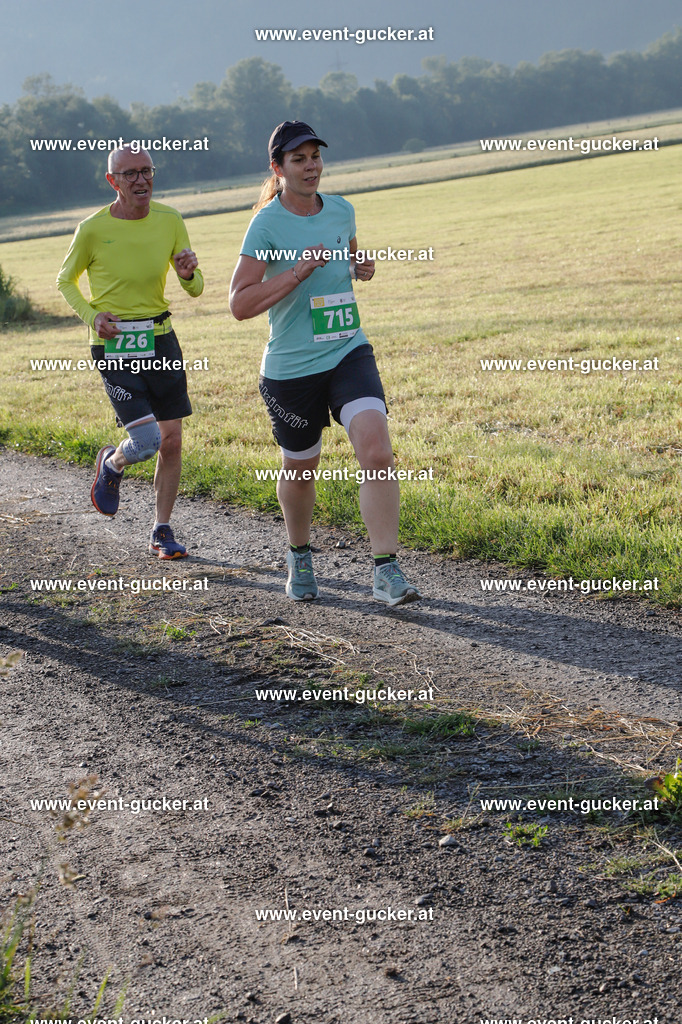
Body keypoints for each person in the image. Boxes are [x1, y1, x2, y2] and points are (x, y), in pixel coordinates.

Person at [229, 120, 421, 606]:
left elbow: (347, 261)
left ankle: (386, 570)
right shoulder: (266, 224)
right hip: (292, 368)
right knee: (301, 468)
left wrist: (360, 268)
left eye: (315, 156)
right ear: (278, 168)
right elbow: (240, 303)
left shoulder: (341, 209)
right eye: (299, 159)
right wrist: (296, 272)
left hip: (347, 350)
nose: (311, 166)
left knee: (377, 451)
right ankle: (299, 553)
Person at [57, 145, 204, 559]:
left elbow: (195, 287)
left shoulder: (170, 219)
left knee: (171, 441)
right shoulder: (91, 229)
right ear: (113, 181)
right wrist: (92, 316)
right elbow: (65, 280)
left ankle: (161, 530)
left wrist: (188, 274)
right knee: (148, 440)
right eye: (130, 174)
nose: (141, 180)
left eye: (147, 171)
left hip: (161, 339)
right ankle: (113, 463)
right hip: (115, 345)